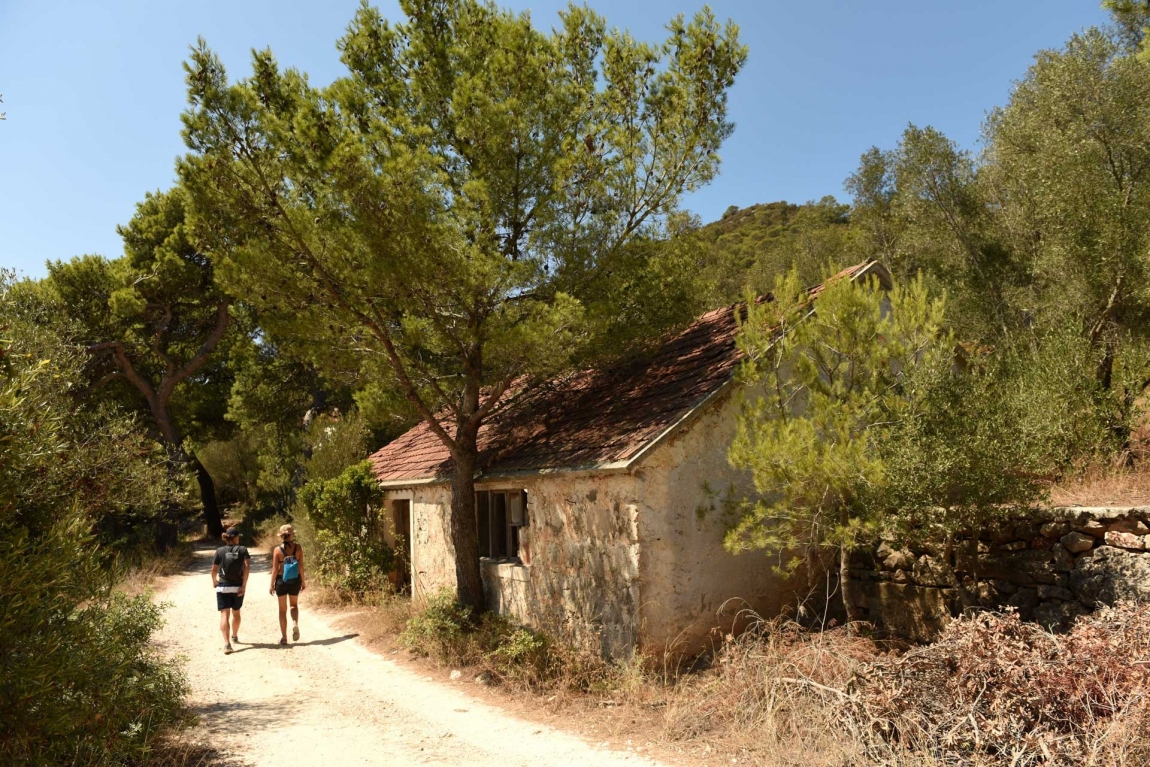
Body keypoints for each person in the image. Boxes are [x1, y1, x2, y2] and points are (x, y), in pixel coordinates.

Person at [211, 527, 250, 654]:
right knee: (236, 613)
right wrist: (243, 585)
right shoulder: (243, 549)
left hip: (223, 586)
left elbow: (214, 569)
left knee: (224, 615)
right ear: (235, 537)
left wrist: (214, 581)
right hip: (237, 587)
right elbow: (247, 567)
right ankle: (234, 636)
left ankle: (227, 644)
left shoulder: (219, 551)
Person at [270, 523, 306, 645]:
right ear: (292, 535)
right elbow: (301, 566)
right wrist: (303, 581)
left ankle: (284, 638)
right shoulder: (298, 548)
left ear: (281, 536)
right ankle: (295, 623)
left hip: (281, 581)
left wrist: (271, 585)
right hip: (295, 580)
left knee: (282, 610)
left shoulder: (277, 550)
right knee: (294, 606)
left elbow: (275, 569)